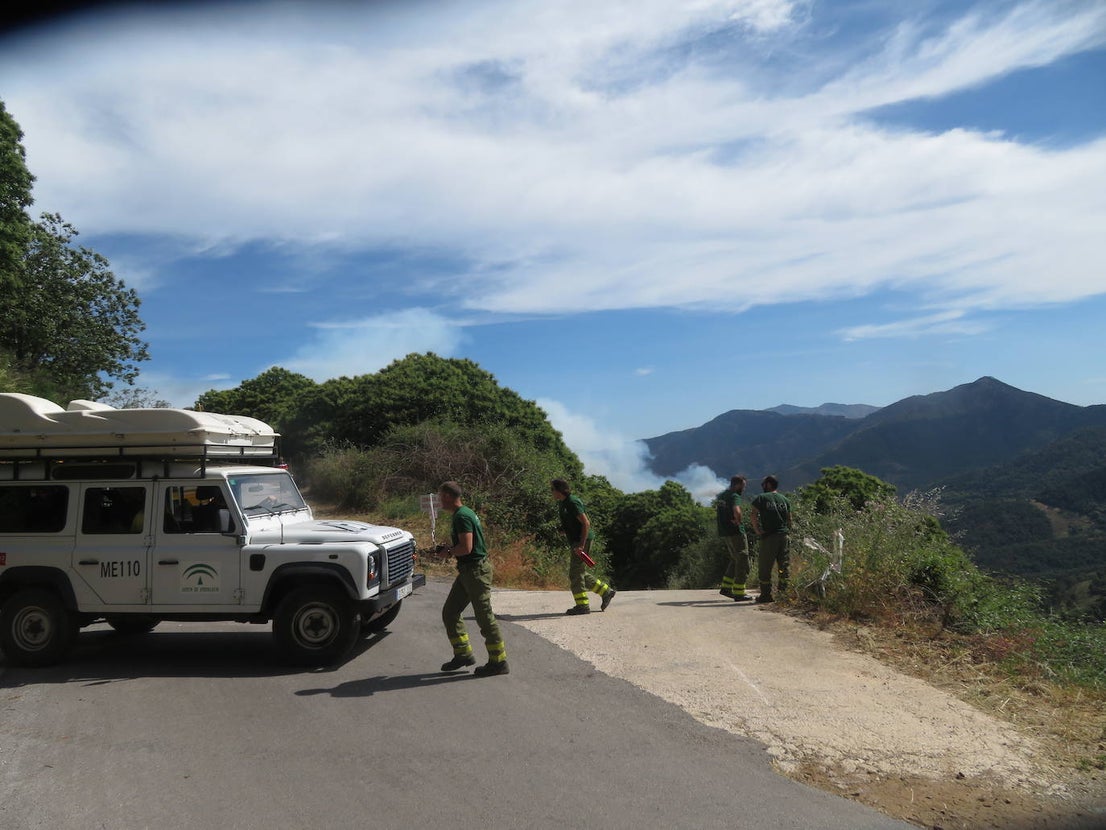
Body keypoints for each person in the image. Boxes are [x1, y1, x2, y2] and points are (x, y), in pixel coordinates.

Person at [437, 481, 509, 677]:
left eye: (440, 496)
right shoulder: (463, 514)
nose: (438, 500)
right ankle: (463, 655)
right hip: (467, 571)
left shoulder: (462, 516)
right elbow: (465, 545)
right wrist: (450, 548)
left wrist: (449, 551)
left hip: (476, 572)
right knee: (450, 612)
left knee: (484, 617)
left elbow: (467, 548)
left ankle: (499, 661)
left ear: (449, 497)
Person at [551, 478, 615, 615]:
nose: (551, 492)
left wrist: (581, 544)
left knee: (575, 574)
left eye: (552, 489)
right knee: (578, 572)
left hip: (581, 541)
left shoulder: (573, 502)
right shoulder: (563, 503)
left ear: (559, 490)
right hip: (575, 540)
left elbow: (586, 523)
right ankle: (606, 591)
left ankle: (582, 606)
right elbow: (572, 522)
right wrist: (564, 530)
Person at [750, 475, 791, 604]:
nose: (762, 486)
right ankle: (783, 594)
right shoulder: (785, 500)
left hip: (769, 537)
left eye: (763, 484)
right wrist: (787, 531)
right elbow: (790, 519)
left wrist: (757, 530)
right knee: (784, 566)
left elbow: (753, 514)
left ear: (768, 484)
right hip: (784, 536)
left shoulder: (762, 498)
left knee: (765, 567)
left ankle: (766, 595)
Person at [714, 475, 752, 601]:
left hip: (725, 533)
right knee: (743, 559)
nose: (744, 489)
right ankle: (739, 593)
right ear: (737, 485)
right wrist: (738, 521)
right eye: (743, 486)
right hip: (736, 533)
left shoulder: (721, 496)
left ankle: (726, 587)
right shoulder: (734, 496)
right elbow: (737, 511)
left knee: (735, 559)